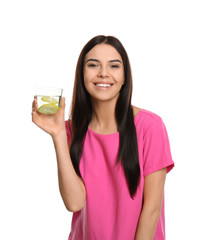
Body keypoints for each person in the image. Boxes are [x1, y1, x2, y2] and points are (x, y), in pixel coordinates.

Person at [32, 35, 174, 240]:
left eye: (114, 66)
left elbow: (151, 210)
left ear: (125, 76)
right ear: (82, 74)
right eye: (93, 65)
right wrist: (58, 135)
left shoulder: (149, 126)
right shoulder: (70, 130)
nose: (103, 73)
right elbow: (74, 203)